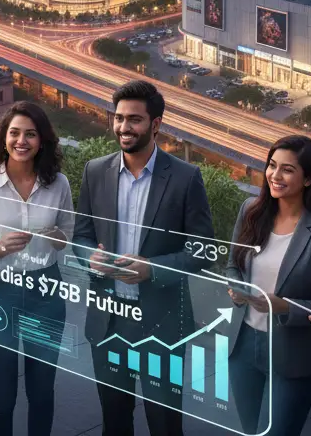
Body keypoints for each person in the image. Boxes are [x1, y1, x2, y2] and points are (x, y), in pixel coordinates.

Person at [73, 79, 214, 436]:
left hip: (162, 324)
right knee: (114, 421)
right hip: (108, 319)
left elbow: (204, 250)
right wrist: (90, 258)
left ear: (155, 124)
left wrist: (153, 269)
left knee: (165, 425)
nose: (123, 127)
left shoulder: (185, 177)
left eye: (134, 119)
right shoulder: (94, 170)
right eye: (119, 118)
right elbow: (81, 236)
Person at [0, 101, 74, 436]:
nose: (21, 141)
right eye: (14, 133)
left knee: (42, 393)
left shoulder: (59, 184)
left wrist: (56, 237)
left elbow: (68, 234)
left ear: (42, 141)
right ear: (4, 137)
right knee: (1, 396)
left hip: (46, 293)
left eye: (30, 134)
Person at [225, 135, 311, 436]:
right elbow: (232, 266)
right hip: (243, 343)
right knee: (249, 430)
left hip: (293, 353)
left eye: (287, 169)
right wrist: (236, 289)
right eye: (272, 165)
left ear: (308, 179)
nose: (275, 175)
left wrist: (285, 307)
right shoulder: (250, 210)